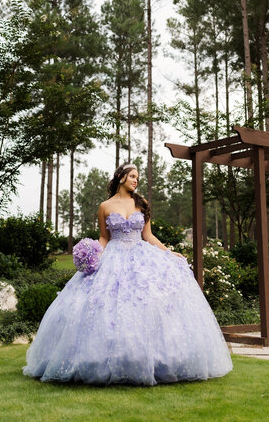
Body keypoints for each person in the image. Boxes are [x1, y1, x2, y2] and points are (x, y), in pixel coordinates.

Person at [23, 163, 233, 385]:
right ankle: (101, 359)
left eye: (137, 177)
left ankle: (155, 359)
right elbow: (104, 237)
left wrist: (169, 253)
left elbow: (148, 236)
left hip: (140, 255)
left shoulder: (141, 204)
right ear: (121, 177)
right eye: (132, 176)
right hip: (113, 256)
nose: (136, 180)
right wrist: (93, 255)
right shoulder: (105, 206)